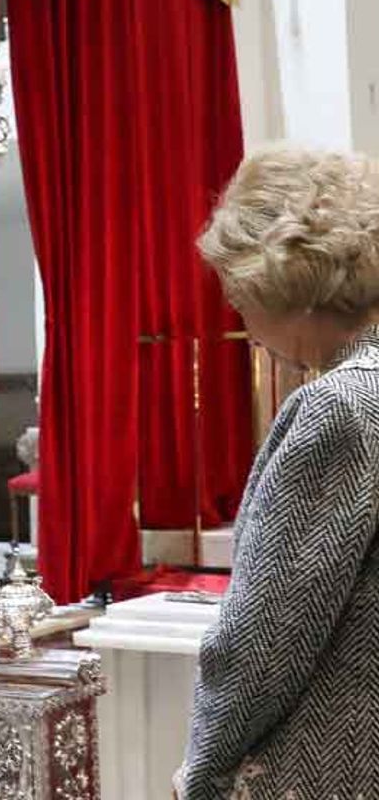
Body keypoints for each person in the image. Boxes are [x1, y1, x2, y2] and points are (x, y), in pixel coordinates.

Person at [178, 147, 379, 799]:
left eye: (237, 293)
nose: (241, 317)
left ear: (283, 286)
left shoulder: (340, 408)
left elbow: (263, 643)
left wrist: (200, 772)